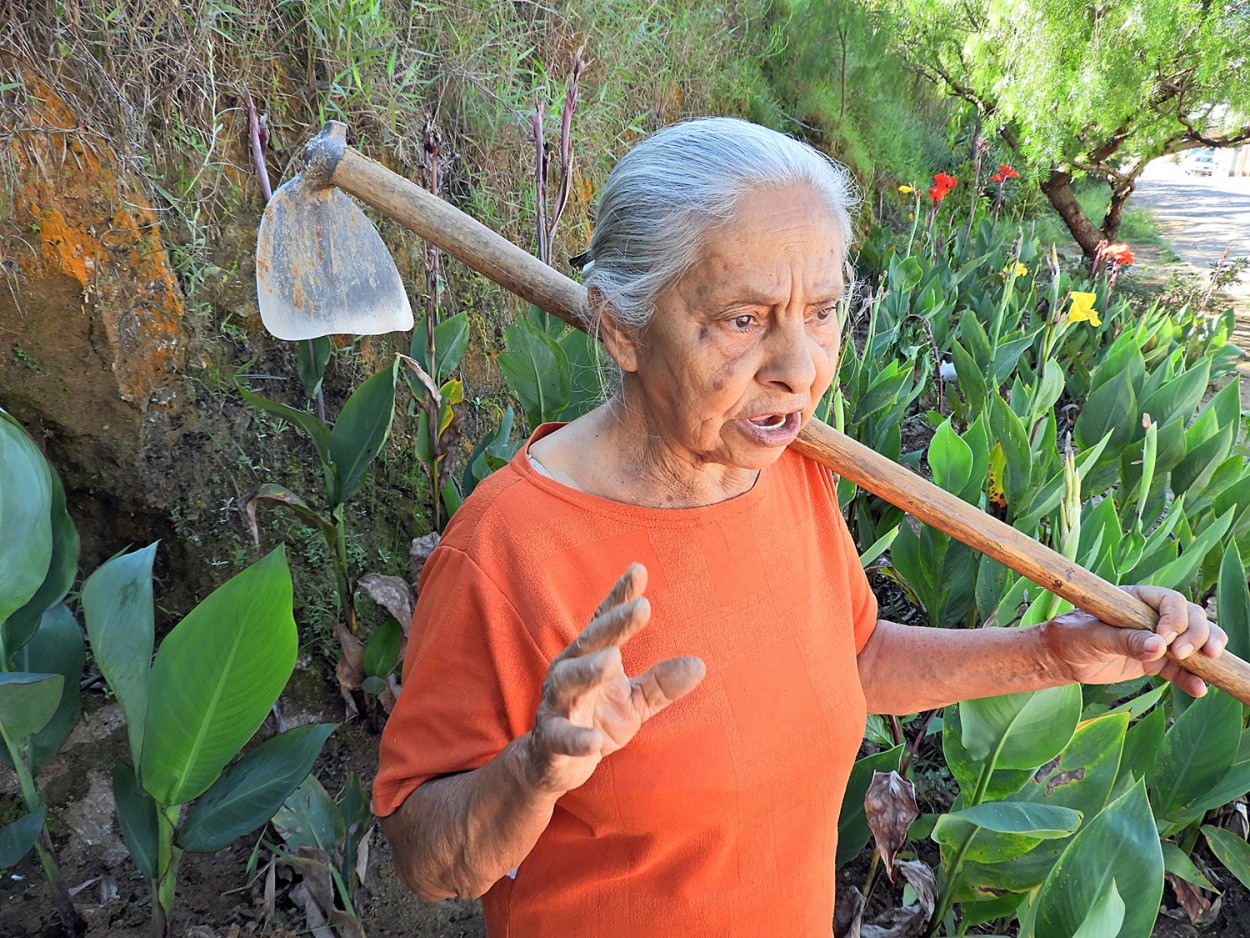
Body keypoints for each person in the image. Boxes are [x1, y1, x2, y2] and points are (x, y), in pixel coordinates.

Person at [374, 117, 1224, 937]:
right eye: (743, 319)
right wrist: (536, 770)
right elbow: (427, 861)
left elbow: (852, 661)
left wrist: (1055, 651)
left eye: (819, 311)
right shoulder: (507, 546)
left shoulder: (785, 470)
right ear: (622, 328)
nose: (799, 368)